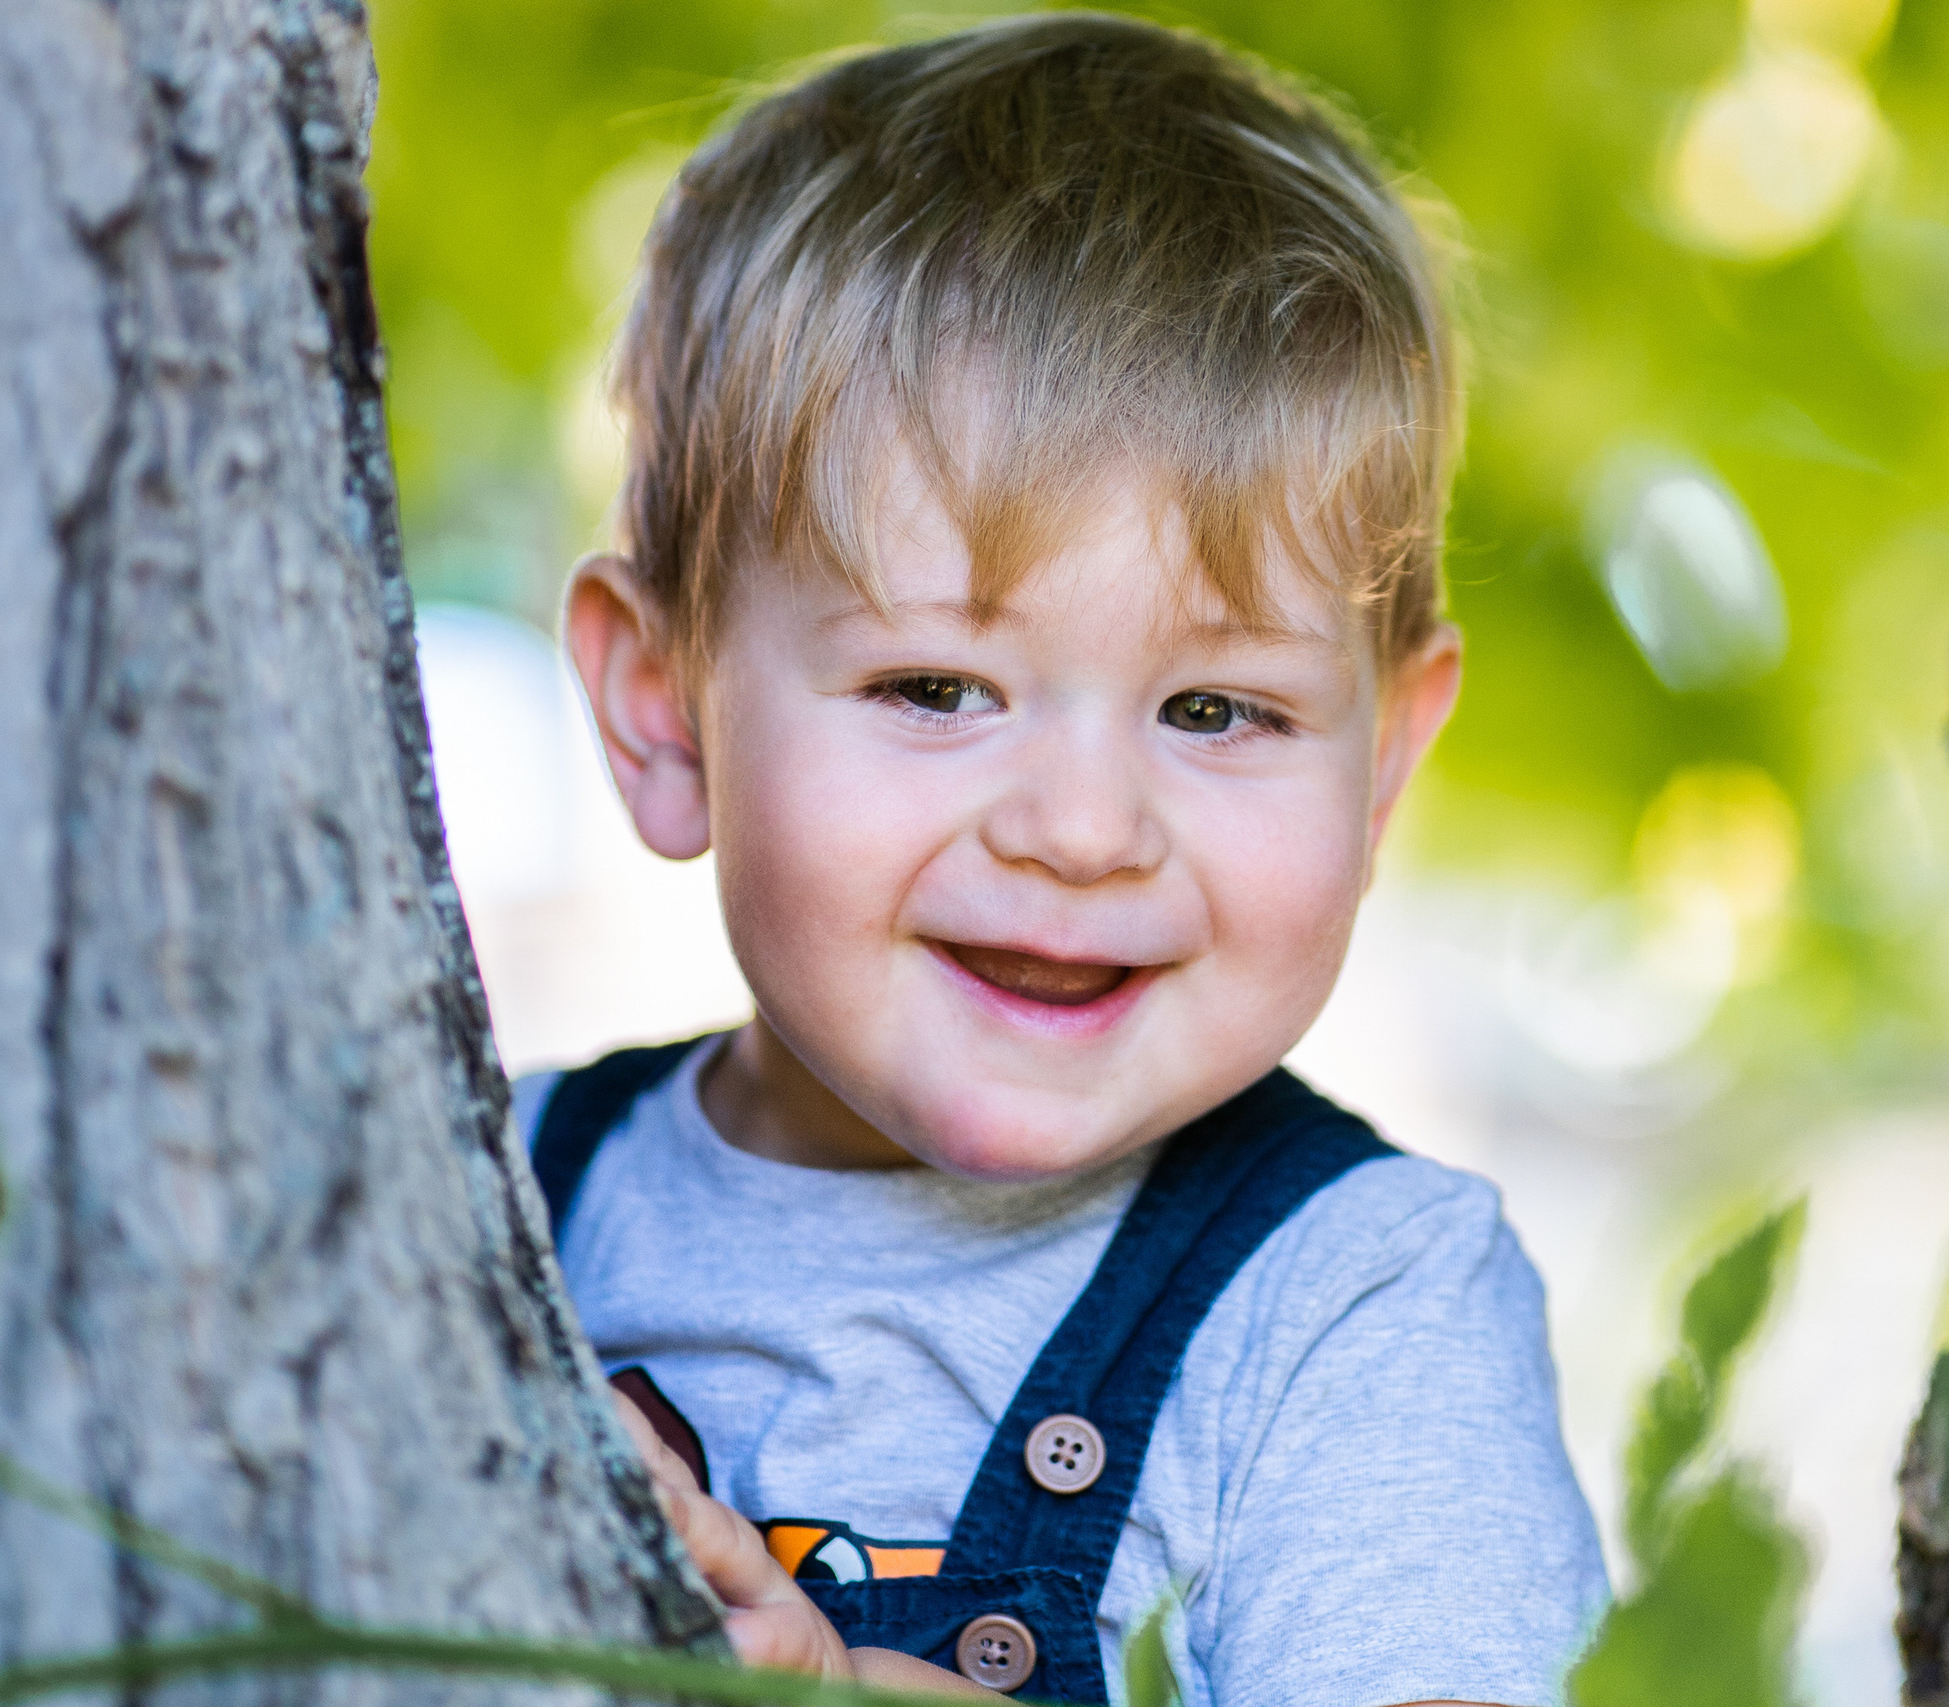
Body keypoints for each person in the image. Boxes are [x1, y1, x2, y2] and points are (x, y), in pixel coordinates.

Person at [521, 13, 1607, 1704]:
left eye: (1220, 709)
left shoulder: (1355, 1303)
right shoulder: (477, 1188)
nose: (1084, 832)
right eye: (935, 687)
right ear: (664, 710)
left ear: (1383, 763)